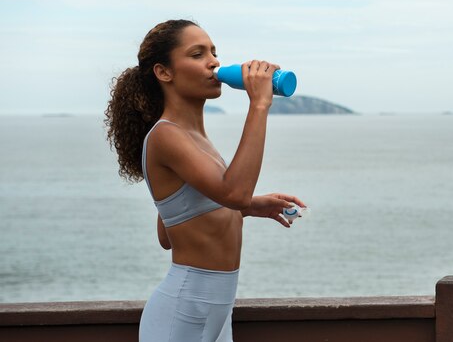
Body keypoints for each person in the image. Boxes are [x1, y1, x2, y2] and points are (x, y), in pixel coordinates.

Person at [104, 19, 306, 342]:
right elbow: (235, 192)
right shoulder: (165, 136)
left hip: (215, 313)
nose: (213, 61)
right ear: (164, 72)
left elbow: (168, 231)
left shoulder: (195, 137)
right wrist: (259, 103)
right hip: (182, 313)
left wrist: (251, 206)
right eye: (197, 54)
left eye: (213, 52)